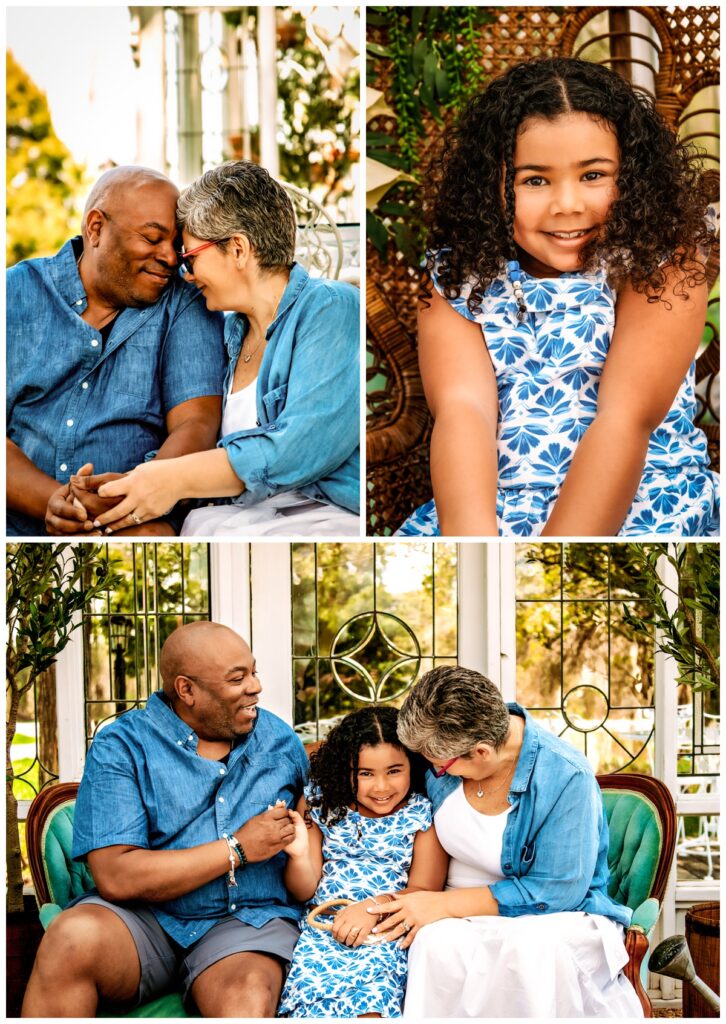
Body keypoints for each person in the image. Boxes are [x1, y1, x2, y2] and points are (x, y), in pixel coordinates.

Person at [396, 57, 719, 538]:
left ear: (631, 174)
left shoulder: (662, 261)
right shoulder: (460, 274)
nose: (567, 204)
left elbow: (625, 418)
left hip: (645, 500)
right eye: (534, 180)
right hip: (496, 507)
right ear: (493, 186)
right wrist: (479, 545)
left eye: (593, 175)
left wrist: (552, 554)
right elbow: (465, 411)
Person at [21, 622, 309, 1018]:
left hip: (245, 925)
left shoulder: (280, 743)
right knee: (70, 938)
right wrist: (237, 849)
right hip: (142, 923)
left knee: (247, 998)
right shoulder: (122, 745)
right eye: (237, 678)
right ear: (186, 689)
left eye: (254, 671)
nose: (256, 686)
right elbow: (117, 875)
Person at [74, 160, 360, 538]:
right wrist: (133, 483)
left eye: (190, 258)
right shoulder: (228, 332)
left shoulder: (331, 307)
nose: (184, 274)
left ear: (238, 249)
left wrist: (172, 478)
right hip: (240, 520)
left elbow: (298, 449)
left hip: (324, 519)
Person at [369, 666, 643, 1018]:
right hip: (450, 909)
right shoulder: (447, 752)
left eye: (439, 766)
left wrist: (440, 906)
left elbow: (556, 892)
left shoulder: (565, 776)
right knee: (436, 945)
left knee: (526, 952)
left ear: (481, 753)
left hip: (554, 917)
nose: (431, 771)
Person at [6, 165, 227, 537]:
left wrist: (131, 495)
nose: (170, 258)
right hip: (17, 524)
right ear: (95, 228)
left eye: (175, 245)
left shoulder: (185, 303)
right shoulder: (14, 294)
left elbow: (197, 423)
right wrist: (56, 503)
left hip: (138, 520)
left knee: (151, 537)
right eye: (151, 238)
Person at [278, 707, 447, 1018]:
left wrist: (372, 909)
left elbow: (425, 890)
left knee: (373, 1004)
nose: (381, 787)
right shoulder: (320, 804)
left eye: (394, 771)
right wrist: (300, 854)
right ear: (346, 770)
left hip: (386, 929)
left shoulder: (421, 814)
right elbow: (303, 890)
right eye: (365, 774)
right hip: (323, 932)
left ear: (413, 765)